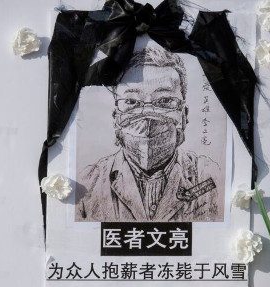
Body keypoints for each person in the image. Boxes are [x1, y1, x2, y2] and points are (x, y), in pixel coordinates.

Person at [76, 47, 223, 222]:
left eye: (165, 100)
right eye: (131, 102)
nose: (147, 116)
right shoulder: (87, 183)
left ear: (183, 115)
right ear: (116, 117)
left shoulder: (210, 176)